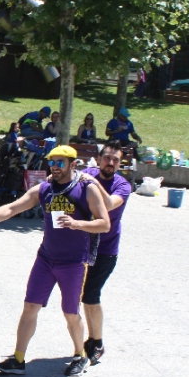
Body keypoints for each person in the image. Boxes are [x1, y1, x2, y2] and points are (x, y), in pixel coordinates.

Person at [0, 145, 110, 377]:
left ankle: (80, 356)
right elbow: (13, 207)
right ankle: (18, 359)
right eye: (52, 162)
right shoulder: (44, 189)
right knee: (30, 307)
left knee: (70, 313)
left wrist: (77, 224)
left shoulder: (87, 189)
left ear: (73, 164)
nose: (55, 167)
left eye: (61, 162)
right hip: (46, 259)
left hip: (74, 262)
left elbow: (104, 223)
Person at [80, 141, 131, 365]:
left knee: (92, 294)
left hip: (106, 251)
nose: (110, 163)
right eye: (107, 158)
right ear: (99, 159)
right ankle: (91, 339)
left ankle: (98, 342)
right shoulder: (87, 173)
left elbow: (109, 204)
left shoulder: (123, 185)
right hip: (82, 246)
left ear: (120, 164)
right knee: (84, 296)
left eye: (115, 160)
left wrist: (92, 182)